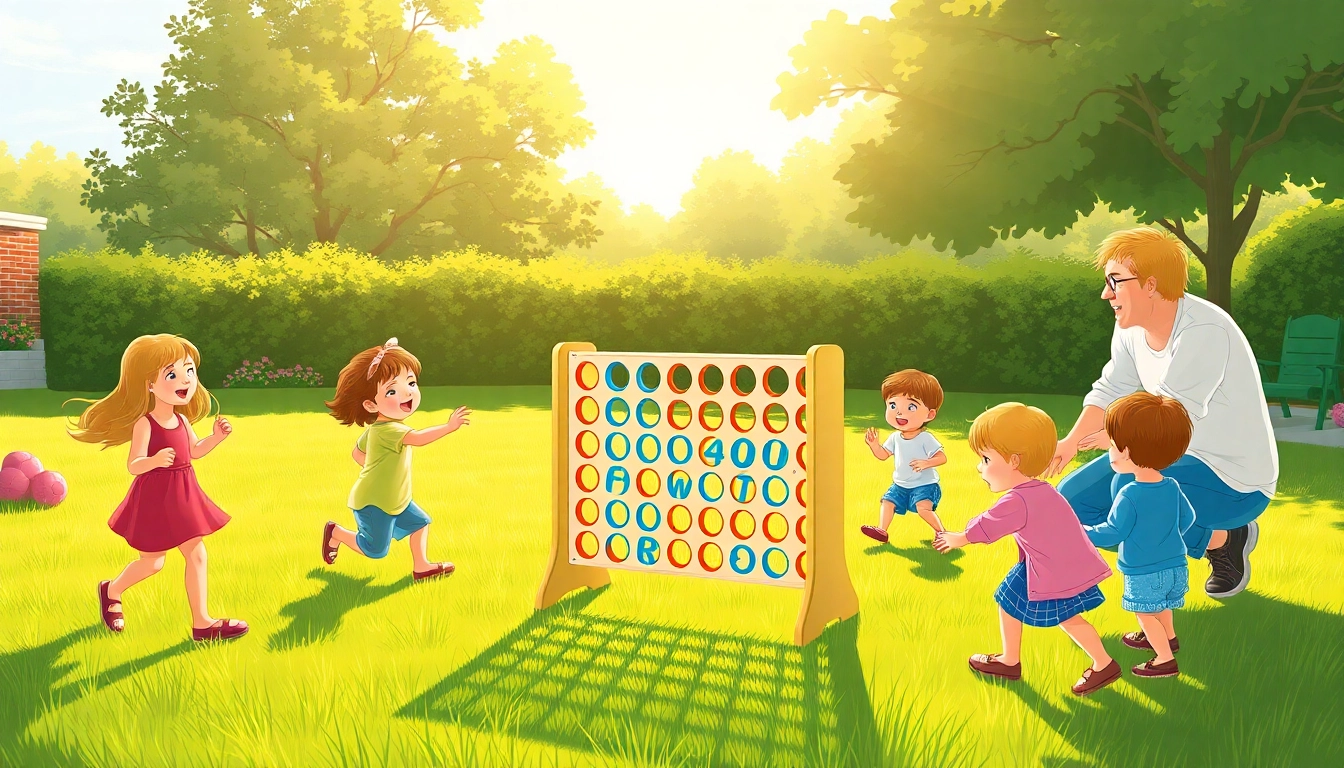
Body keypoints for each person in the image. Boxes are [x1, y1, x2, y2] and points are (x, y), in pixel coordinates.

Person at [1048, 227, 1277, 599]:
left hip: (1232, 478)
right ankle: (1210, 542)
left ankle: (1209, 553)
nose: (1106, 293)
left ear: (1150, 285)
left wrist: (1116, 437)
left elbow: (1173, 417)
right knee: (1069, 502)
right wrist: (1072, 441)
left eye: (1115, 281)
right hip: (1159, 454)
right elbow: (1111, 388)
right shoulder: (1130, 329)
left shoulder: (1203, 330)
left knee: (1134, 495)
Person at [69, 334, 248, 642]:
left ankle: (203, 624)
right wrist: (153, 460)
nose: (185, 381)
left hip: (183, 494)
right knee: (153, 562)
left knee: (197, 554)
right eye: (172, 374)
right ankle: (111, 590)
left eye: (189, 371)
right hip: (154, 498)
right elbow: (133, 465)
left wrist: (216, 438)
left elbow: (194, 451)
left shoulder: (182, 421)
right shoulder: (145, 424)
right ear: (149, 384)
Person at [935, 403, 1119, 696]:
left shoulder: (1018, 500)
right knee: (1010, 600)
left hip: (1053, 572)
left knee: (1067, 618)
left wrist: (959, 538)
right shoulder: (1044, 491)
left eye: (985, 458)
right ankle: (1010, 660)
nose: (979, 467)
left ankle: (1103, 663)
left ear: (1014, 461)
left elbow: (988, 525)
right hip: (1049, 566)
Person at [321, 338, 469, 581]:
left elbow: (357, 454)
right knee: (375, 551)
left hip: (395, 498)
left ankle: (421, 567)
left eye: (411, 382)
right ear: (370, 404)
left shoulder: (376, 429)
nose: (408, 392)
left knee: (420, 523)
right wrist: (449, 426)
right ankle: (336, 533)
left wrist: (377, 469)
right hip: (375, 502)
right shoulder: (392, 431)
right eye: (392, 391)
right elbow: (419, 439)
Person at [1082, 392, 1195, 679]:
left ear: (1128, 452)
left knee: (1145, 613)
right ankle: (1168, 637)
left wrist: (1082, 533)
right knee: (1163, 606)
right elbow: (1189, 518)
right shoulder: (1171, 485)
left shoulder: (1129, 493)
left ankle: (1164, 660)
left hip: (1144, 571)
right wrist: (1166, 538)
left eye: (1112, 444)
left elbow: (1113, 532)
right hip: (1175, 565)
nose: (1109, 451)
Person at [860, 369, 947, 542]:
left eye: (911, 407)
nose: (899, 413)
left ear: (929, 414)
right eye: (893, 406)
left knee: (923, 509)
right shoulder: (895, 437)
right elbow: (884, 455)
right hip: (900, 484)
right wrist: (874, 446)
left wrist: (925, 463)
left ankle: (942, 533)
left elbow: (942, 458)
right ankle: (882, 531)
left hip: (925, 485)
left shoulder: (925, 438)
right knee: (887, 502)